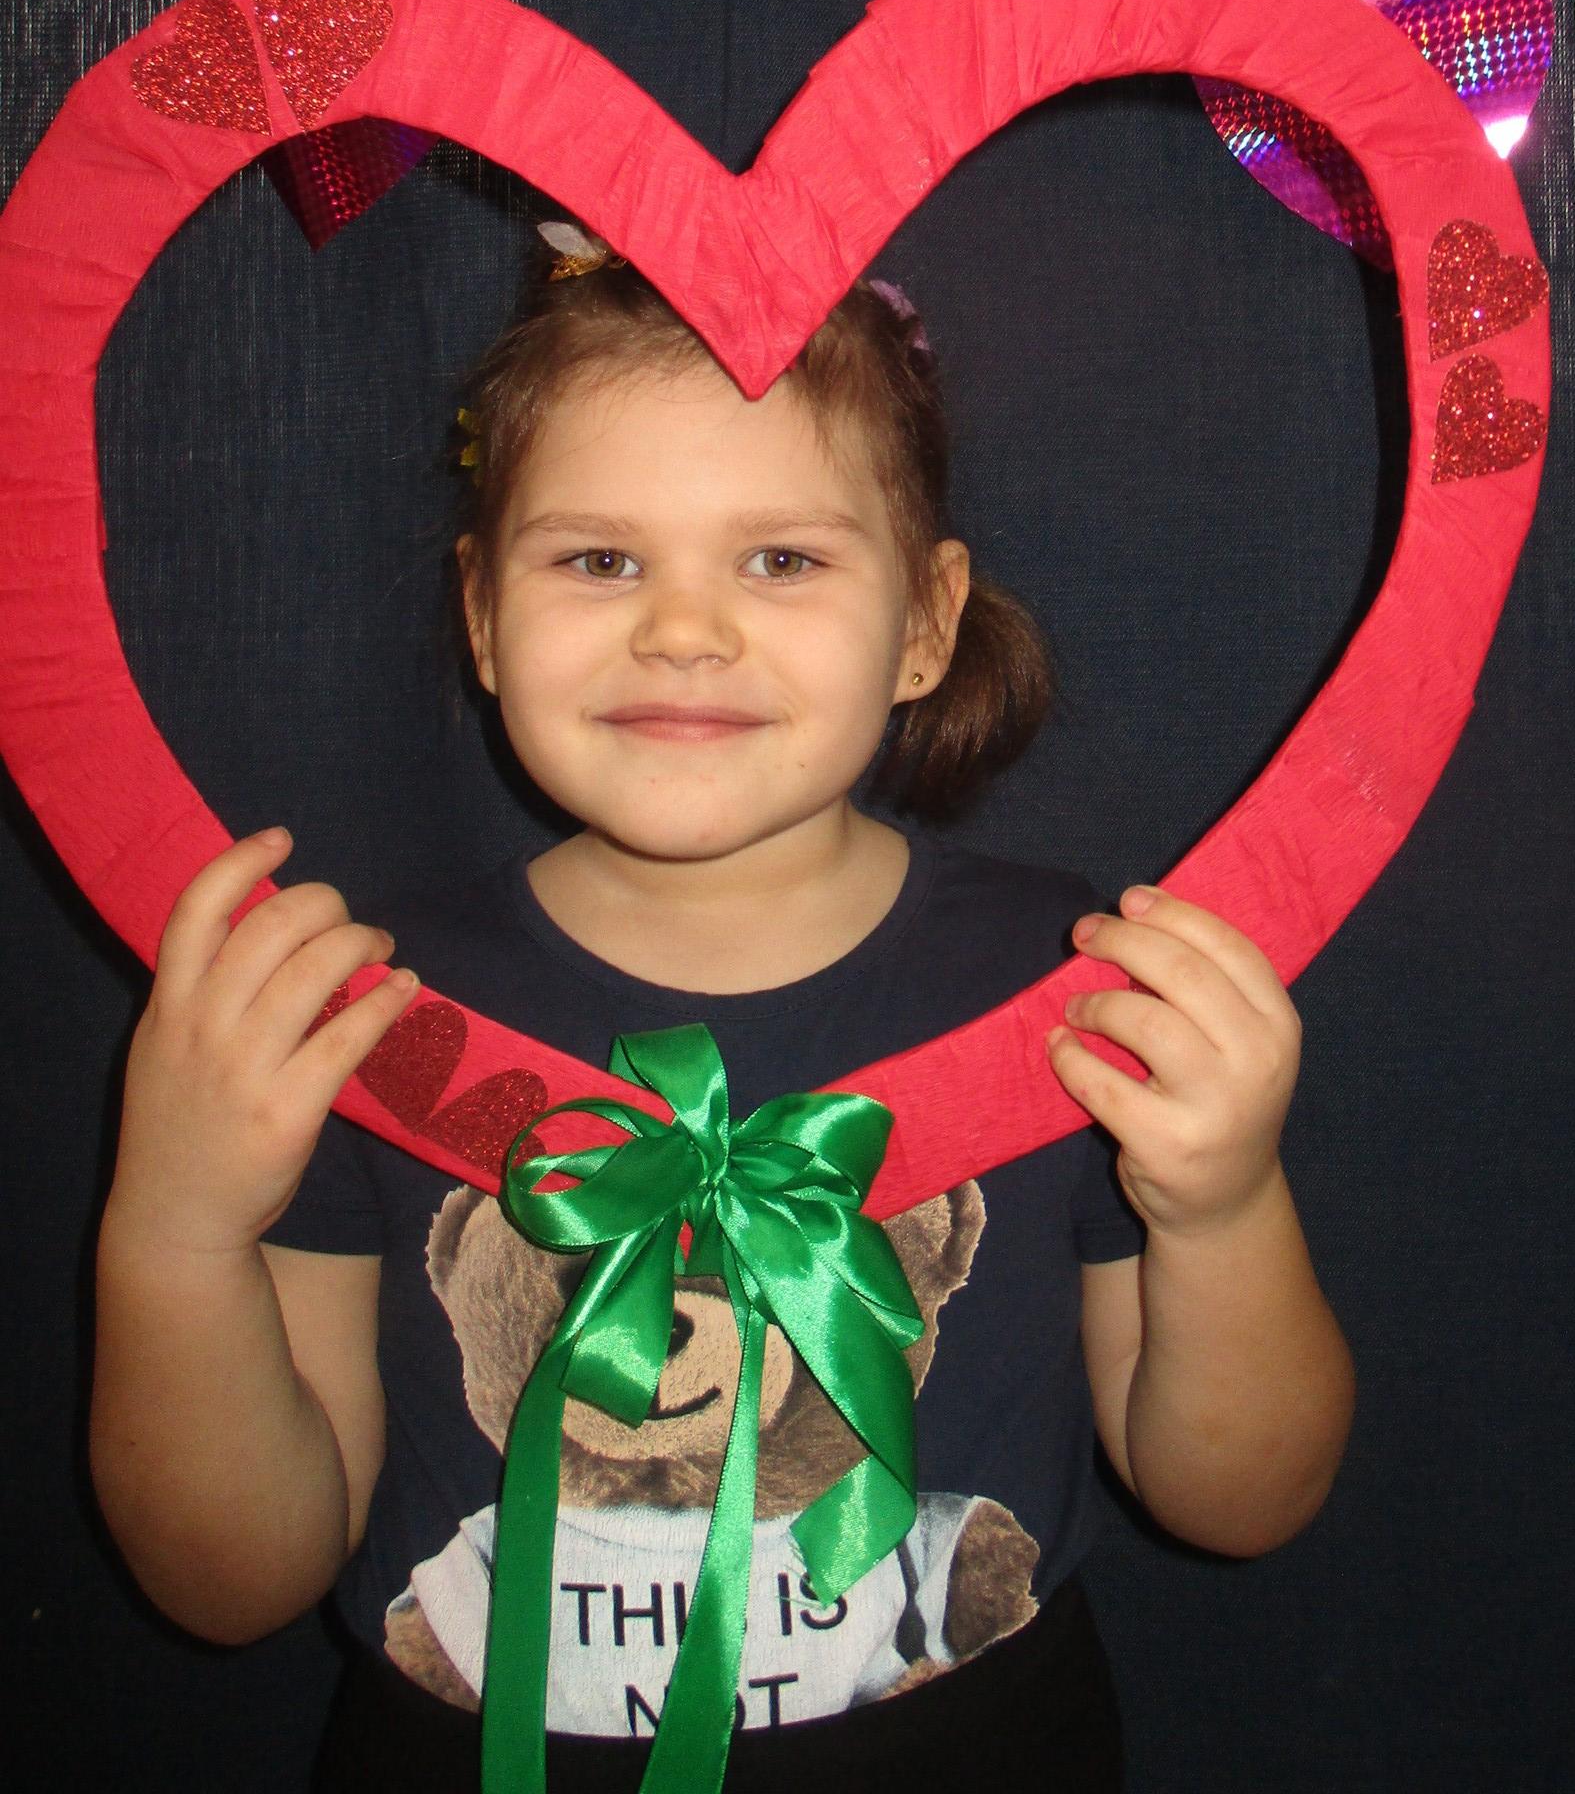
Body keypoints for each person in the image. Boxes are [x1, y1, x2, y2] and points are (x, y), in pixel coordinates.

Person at [89, 233, 1354, 1792]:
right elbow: (229, 1582)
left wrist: (1223, 1208)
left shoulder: (1076, 985)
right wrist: (177, 1231)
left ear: (926, 622)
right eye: (599, 561)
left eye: (782, 561)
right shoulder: (362, 1017)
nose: (682, 630)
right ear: (482, 613)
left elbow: (1243, 1500)